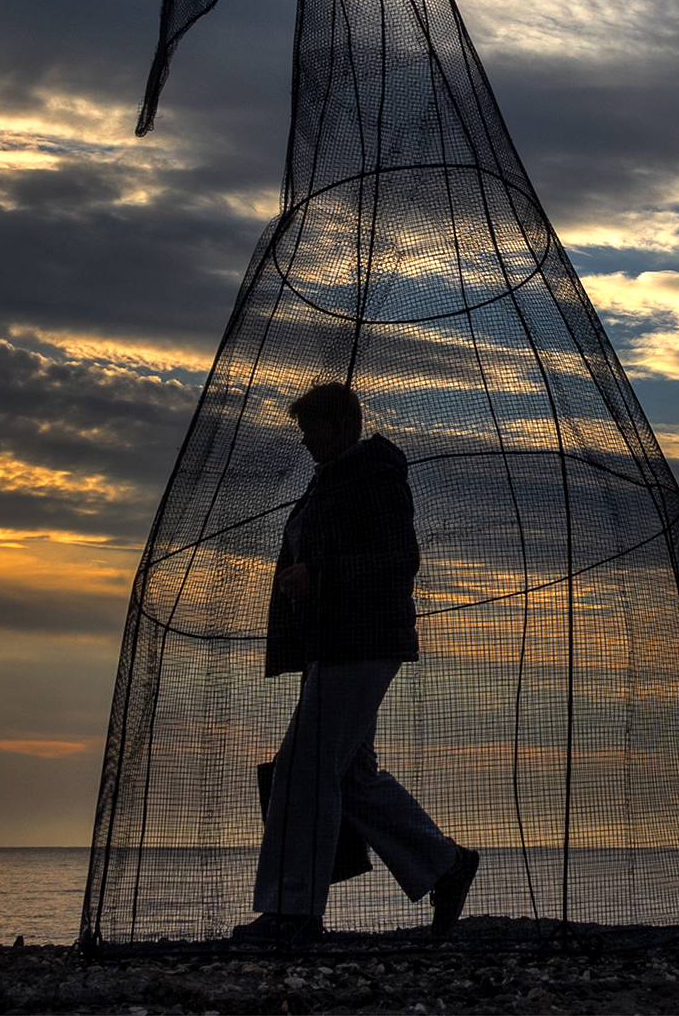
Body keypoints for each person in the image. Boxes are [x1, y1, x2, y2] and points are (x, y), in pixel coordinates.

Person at [234, 383, 481, 946]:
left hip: (362, 640)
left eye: (313, 431)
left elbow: (400, 558)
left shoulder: (373, 473)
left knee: (305, 768)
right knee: (348, 773)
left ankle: (291, 912)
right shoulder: (337, 477)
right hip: (339, 642)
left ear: (343, 426)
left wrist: (319, 576)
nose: (307, 444)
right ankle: (444, 866)